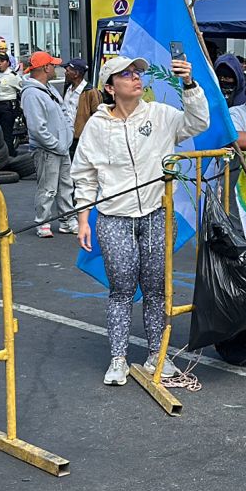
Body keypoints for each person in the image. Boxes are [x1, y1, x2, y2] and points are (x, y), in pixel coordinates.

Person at [73, 55, 209, 386]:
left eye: (138, 73)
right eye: (127, 74)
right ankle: (118, 359)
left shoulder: (161, 115)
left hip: (157, 215)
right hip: (113, 218)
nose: (136, 78)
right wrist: (83, 219)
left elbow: (198, 122)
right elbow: (84, 176)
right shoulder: (97, 124)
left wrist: (189, 84)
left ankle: (156, 356)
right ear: (110, 87)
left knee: (155, 289)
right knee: (121, 289)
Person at [20, 52, 77, 237]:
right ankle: (43, 222)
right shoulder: (31, 94)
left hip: (60, 147)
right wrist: (57, 144)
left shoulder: (49, 89)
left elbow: (64, 112)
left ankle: (67, 220)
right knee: (48, 187)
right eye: (52, 65)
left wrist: (67, 137)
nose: (56, 68)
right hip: (47, 149)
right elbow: (37, 128)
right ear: (45, 68)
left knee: (66, 186)